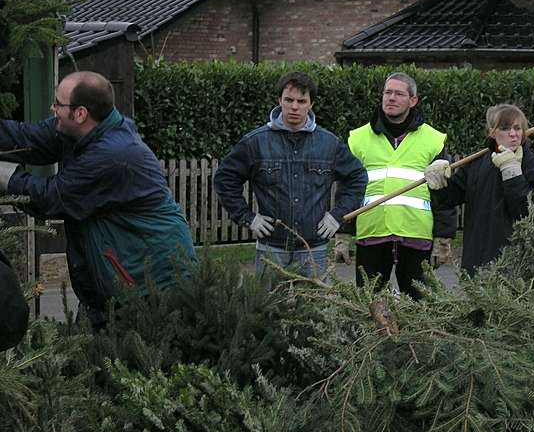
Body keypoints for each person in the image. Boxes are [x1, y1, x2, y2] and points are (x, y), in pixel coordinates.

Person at [0, 71, 196, 328]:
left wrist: (4, 175)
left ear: (80, 113)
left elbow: (50, 198)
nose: (53, 108)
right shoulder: (79, 131)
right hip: (114, 283)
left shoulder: (113, 154)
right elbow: (25, 139)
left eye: (58, 103)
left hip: (150, 285)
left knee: (133, 359)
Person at [213, 71, 367, 281]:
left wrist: (337, 215)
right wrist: (247, 217)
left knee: (317, 312)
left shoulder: (328, 144)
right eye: (289, 100)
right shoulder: (256, 142)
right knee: (269, 310)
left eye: (302, 101)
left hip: (314, 250)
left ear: (311, 104)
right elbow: (225, 178)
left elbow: (357, 176)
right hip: (271, 248)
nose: (295, 107)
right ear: (279, 101)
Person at [333, 72, 457, 299]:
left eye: (399, 93)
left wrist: (443, 238)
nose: (391, 98)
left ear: (413, 100)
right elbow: (347, 191)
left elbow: (443, 194)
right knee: (368, 305)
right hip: (372, 234)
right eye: (387, 92)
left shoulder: (432, 140)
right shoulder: (359, 139)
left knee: (420, 307)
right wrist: (342, 235)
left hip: (416, 236)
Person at [424, 103, 534, 276]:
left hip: (516, 266)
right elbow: (446, 200)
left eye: (518, 128)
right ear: (492, 132)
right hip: (476, 262)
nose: (513, 134)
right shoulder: (476, 163)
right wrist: (439, 182)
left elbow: (527, 212)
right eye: (505, 128)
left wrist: (512, 172)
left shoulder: (532, 165)